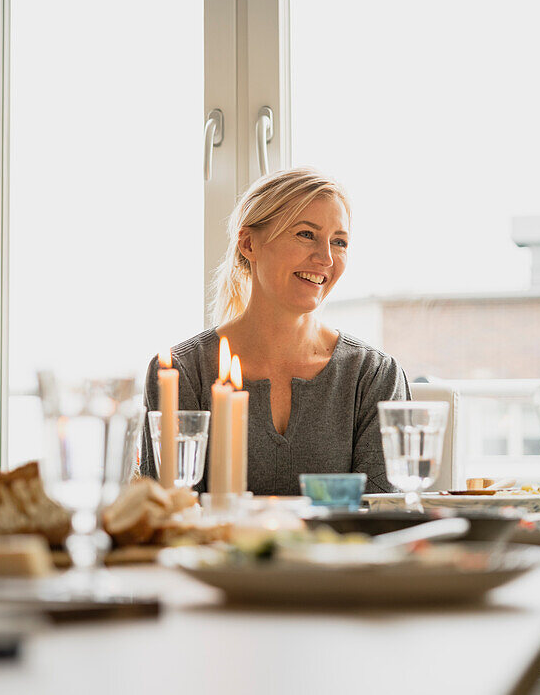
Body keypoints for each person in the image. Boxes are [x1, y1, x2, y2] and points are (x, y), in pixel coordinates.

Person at [141, 167, 408, 494]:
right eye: (306, 234)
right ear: (249, 243)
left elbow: (381, 521)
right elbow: (167, 518)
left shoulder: (373, 376)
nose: (325, 258)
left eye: (339, 242)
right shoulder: (181, 372)